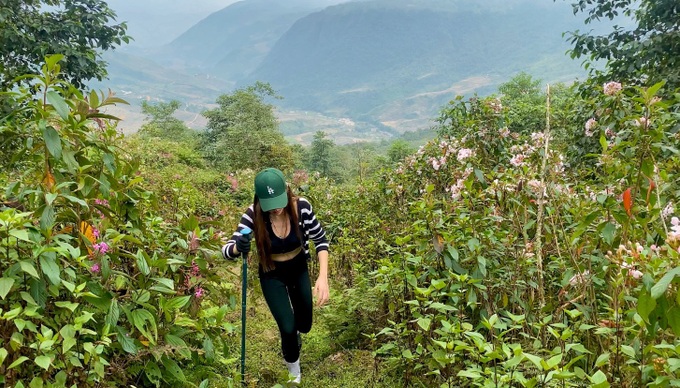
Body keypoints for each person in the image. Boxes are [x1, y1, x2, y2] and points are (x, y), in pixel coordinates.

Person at [222, 168, 330, 385]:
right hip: (272, 273)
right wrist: (237, 248)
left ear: (287, 191)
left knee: (304, 324)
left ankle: (296, 335)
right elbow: (226, 250)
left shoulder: (302, 208)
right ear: (260, 200)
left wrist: (322, 277)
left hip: (298, 267)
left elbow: (321, 241)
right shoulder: (253, 214)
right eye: (270, 204)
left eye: (280, 200)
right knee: (287, 327)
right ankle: (294, 372)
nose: (277, 208)